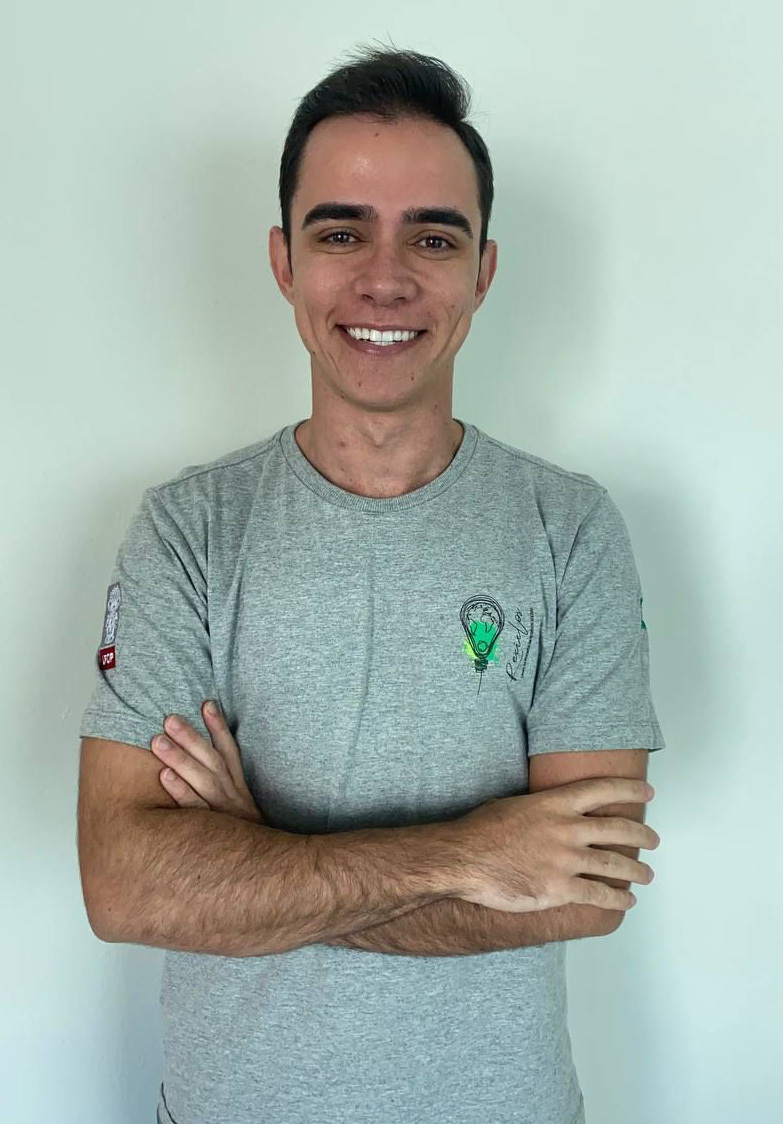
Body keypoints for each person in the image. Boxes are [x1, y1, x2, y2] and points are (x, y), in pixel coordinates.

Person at [77, 43, 665, 1124]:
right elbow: (124, 884)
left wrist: (256, 859)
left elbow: (584, 891)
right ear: (283, 261)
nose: (383, 278)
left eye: (432, 237)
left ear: (483, 270)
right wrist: (471, 854)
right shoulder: (187, 529)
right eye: (339, 231)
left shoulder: (570, 527)